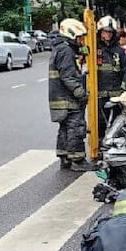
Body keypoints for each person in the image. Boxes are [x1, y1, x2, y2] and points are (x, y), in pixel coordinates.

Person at [48, 19, 96, 171]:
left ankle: (65, 157)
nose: (81, 41)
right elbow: (68, 77)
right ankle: (77, 160)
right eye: (80, 37)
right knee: (76, 127)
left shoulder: (59, 48)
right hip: (68, 99)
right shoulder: (66, 51)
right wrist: (81, 94)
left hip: (60, 98)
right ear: (72, 34)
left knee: (65, 128)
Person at [94, 16, 126, 135]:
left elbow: (125, 70)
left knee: (116, 124)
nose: (108, 34)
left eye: (110, 32)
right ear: (100, 32)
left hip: (116, 95)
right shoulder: (94, 49)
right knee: (100, 124)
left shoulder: (118, 51)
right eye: (105, 31)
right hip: (99, 96)